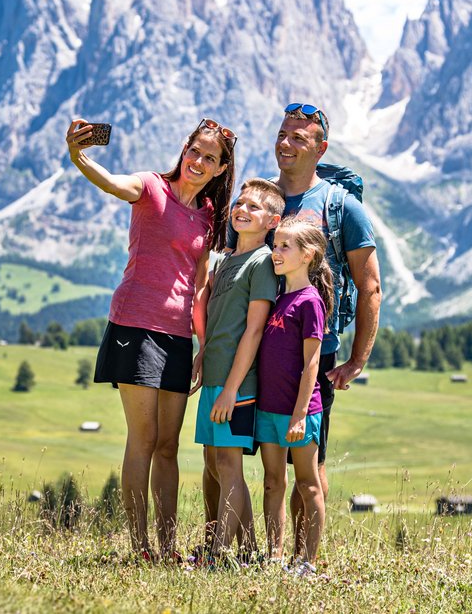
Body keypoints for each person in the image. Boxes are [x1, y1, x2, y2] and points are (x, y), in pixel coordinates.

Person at [65, 116, 236, 561]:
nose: (198, 161)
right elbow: (112, 184)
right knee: (143, 439)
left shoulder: (208, 215)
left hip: (177, 337)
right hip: (135, 326)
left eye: (210, 158)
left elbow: (199, 284)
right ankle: (141, 548)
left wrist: (201, 345)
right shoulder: (150, 186)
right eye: (194, 151)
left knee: (168, 445)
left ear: (221, 169)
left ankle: (167, 546)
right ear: (184, 149)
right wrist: (79, 156)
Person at [227, 102, 381, 544]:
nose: (285, 143)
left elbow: (370, 285)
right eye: (282, 134)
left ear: (321, 149)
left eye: (298, 137)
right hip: (250, 348)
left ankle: (303, 558)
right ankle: (250, 550)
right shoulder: (259, 199)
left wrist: (356, 360)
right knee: (229, 453)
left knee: (308, 464)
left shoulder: (341, 206)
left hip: (312, 351)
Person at [191, 178, 284, 562]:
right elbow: (218, 319)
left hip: (237, 384)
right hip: (214, 375)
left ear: (272, 221)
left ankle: (218, 554)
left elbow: (254, 329)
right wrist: (203, 354)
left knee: (229, 464)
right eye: (239, 203)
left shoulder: (262, 262)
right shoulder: (226, 260)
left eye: (254, 207)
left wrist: (231, 389)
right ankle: (247, 551)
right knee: (214, 463)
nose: (242, 210)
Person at [256, 217, 335, 575]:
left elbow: (312, 363)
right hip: (268, 408)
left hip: (300, 412)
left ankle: (307, 561)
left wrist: (300, 414)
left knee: (307, 484)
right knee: (272, 482)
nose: (276, 252)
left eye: (284, 246)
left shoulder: (309, 301)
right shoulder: (277, 298)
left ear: (308, 255)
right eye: (275, 245)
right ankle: (274, 556)